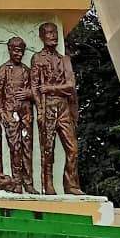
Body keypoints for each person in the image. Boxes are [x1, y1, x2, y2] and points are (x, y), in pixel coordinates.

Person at [29, 21, 83, 196]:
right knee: (48, 148)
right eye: (49, 32)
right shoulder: (37, 58)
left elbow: (70, 86)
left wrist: (51, 88)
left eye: (55, 32)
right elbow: (34, 87)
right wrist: (40, 110)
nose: (53, 35)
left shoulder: (64, 60)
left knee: (72, 148)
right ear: (42, 36)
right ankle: (48, 184)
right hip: (47, 106)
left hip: (63, 107)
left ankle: (71, 184)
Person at [0, 36, 37, 194]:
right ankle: (17, 181)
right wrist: (2, 114)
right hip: (10, 114)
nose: (19, 54)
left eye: (21, 51)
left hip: (26, 114)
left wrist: (29, 93)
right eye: (16, 51)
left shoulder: (27, 70)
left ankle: (28, 182)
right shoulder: (4, 69)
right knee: (15, 148)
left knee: (27, 147)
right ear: (10, 50)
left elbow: (37, 91)